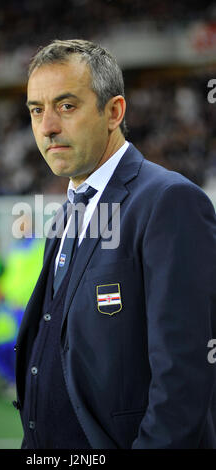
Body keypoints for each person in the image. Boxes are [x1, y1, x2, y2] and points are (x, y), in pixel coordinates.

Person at [14, 39, 216, 449]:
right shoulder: (67, 211)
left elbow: (184, 375)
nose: (47, 126)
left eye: (66, 106)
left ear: (114, 112)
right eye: (37, 110)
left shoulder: (167, 201)